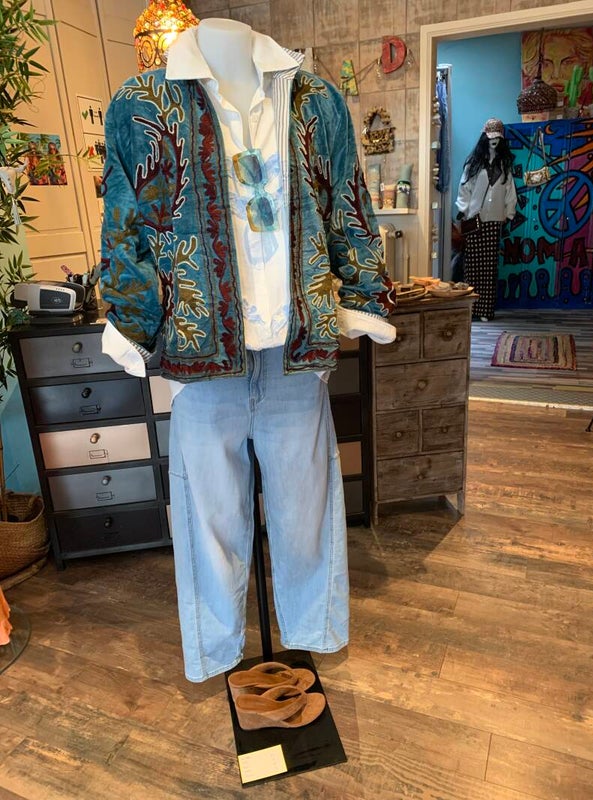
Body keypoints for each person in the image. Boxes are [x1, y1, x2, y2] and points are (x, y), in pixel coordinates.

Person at [100, 19, 396, 683]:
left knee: (306, 511)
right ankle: (217, 650)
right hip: (202, 358)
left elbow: (347, 203)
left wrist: (364, 295)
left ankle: (309, 633)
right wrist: (132, 319)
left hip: (294, 353)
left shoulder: (314, 98)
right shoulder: (142, 103)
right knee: (208, 523)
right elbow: (125, 223)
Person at [455, 118, 517, 321]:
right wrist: (463, 210)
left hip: (494, 219)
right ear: (484, 138)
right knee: (473, 266)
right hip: (474, 218)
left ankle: (485, 309)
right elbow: (465, 188)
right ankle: (471, 308)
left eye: (497, 138)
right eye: (490, 137)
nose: (493, 141)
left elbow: (510, 191)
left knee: (489, 268)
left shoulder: (504, 165)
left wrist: (508, 213)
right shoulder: (473, 164)